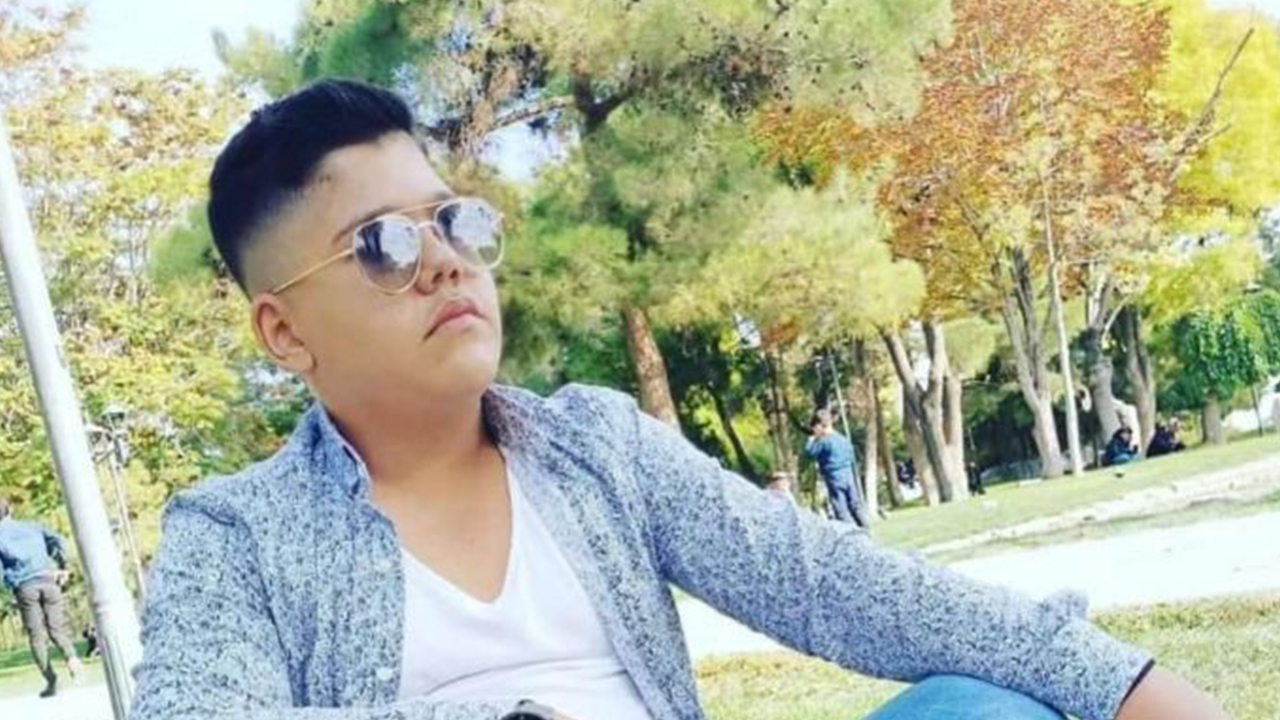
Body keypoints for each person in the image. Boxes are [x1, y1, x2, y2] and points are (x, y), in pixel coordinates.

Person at [130, 79, 1226, 720]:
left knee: (981, 710)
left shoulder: (594, 446)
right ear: (285, 332)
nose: (447, 261)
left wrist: (1127, 685)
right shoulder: (235, 535)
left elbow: (836, 586)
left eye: (452, 219)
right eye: (381, 245)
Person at [0, 496, 83, 697]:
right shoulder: (33, 526)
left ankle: (51, 680)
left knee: (37, 636)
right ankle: (72, 658)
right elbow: (57, 540)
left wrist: (9, 588)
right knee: (57, 629)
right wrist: (62, 565)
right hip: (48, 580)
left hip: (25, 586)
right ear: (10, 510)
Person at [803, 409, 869, 528]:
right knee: (856, 505)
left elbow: (809, 454)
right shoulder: (843, 439)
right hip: (848, 475)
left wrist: (811, 441)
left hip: (833, 477)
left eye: (815, 428)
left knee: (841, 510)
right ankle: (866, 530)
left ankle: (852, 535)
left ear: (819, 426)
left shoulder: (823, 441)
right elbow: (851, 455)